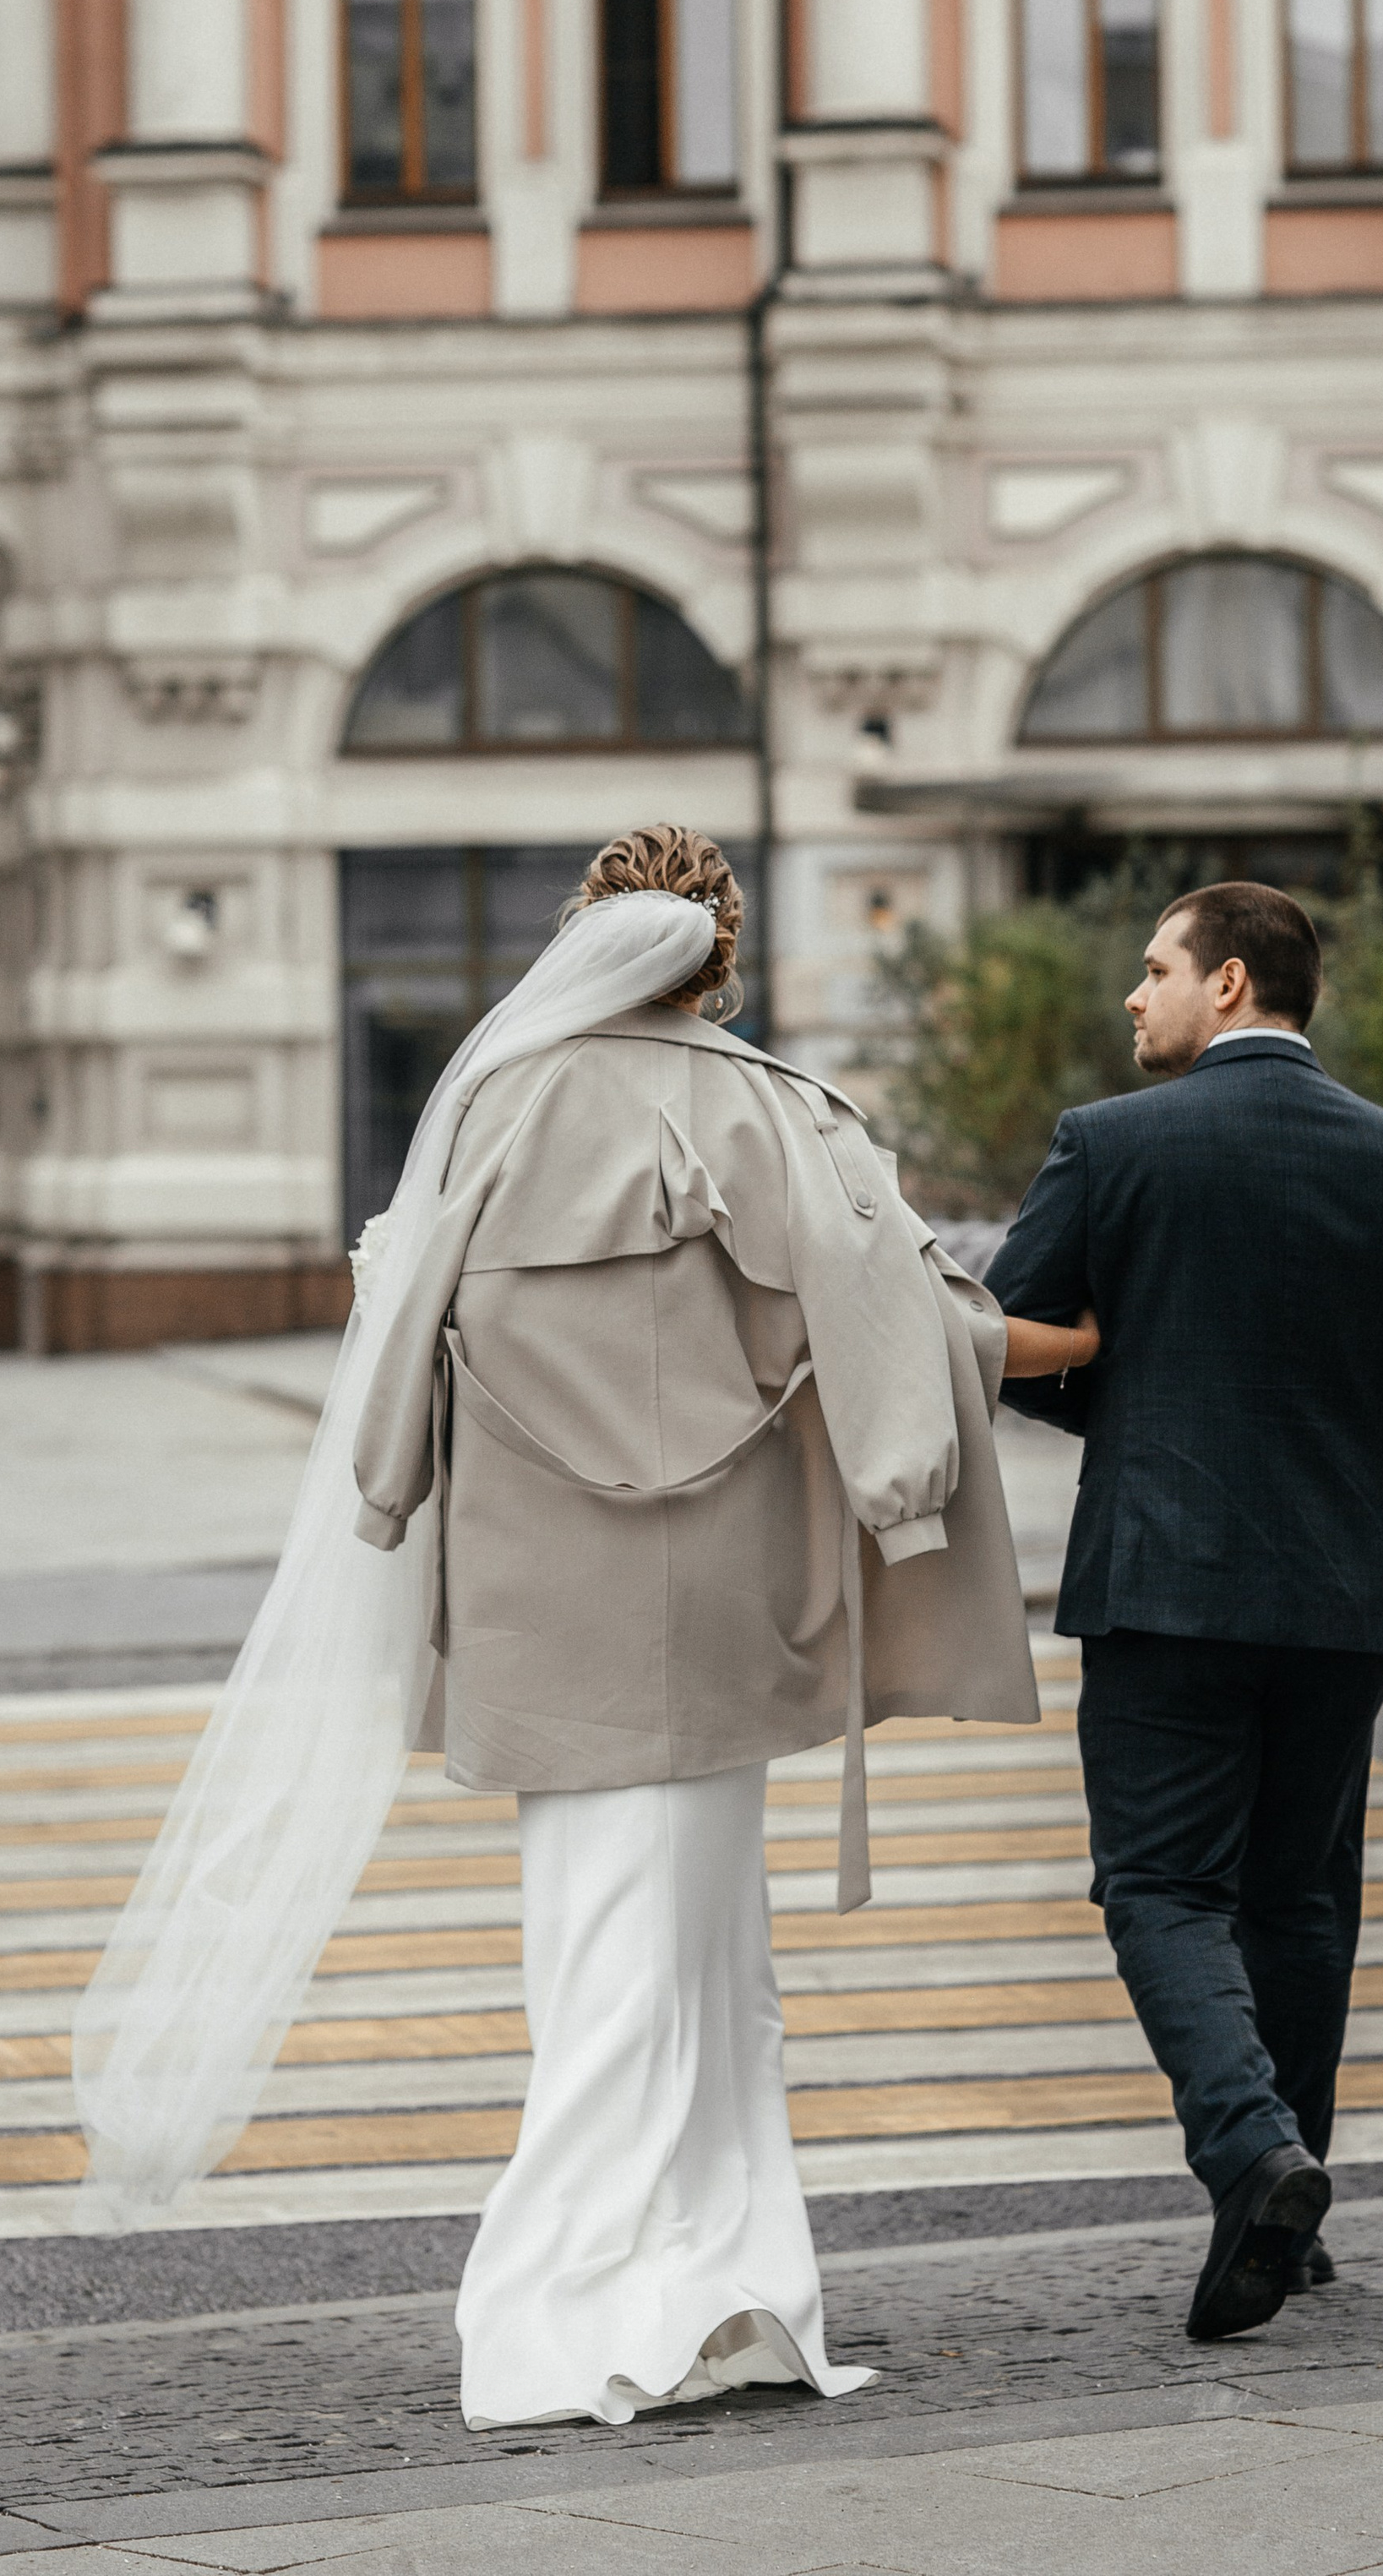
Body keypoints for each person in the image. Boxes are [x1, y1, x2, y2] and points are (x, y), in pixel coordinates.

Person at [75, 823, 1039, 2432]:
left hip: (541, 1606)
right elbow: (896, 1319)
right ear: (719, 956)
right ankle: (693, 2297)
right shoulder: (779, 1109)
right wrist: (913, 1486)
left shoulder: (493, 1110)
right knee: (720, 1975)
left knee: (593, 1962)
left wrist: (385, 1500)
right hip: (735, 1603)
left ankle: (606, 2300)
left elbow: (392, 1368)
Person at [988, 880, 1383, 2346]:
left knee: (1160, 1888)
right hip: (1342, 1596)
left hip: (1164, 1586)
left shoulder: (1111, 1144)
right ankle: (1287, 2227)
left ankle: (1254, 2155)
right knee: (1300, 1902)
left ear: (1229, 984)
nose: (1135, 997)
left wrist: (1133, 1404)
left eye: (1155, 970)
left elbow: (1001, 1338)